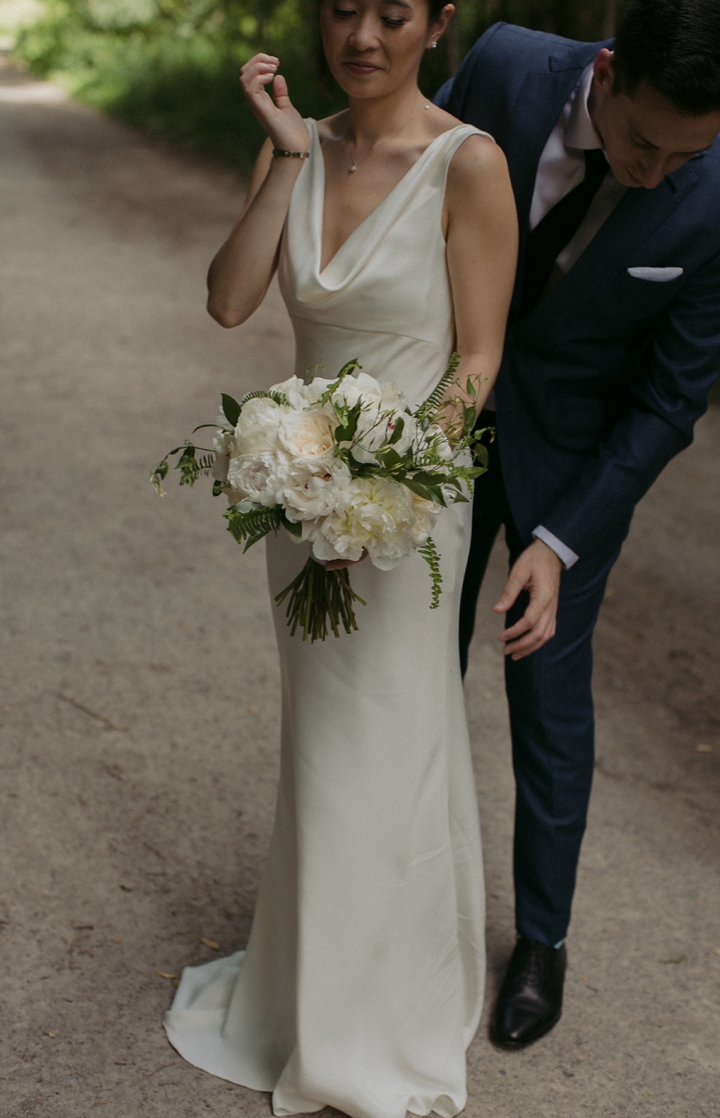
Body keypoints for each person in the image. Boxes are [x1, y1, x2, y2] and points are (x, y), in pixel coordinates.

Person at [161, 2, 518, 1115]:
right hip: (297, 499)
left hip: (404, 512)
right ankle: (309, 990)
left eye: (392, 12)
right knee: (323, 746)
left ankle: (384, 1014)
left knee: (389, 738)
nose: (362, 34)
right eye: (342, 11)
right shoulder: (306, 146)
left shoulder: (470, 163)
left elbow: (476, 356)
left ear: (437, 21)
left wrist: (393, 480)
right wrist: (283, 153)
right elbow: (229, 303)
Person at [439, 0, 720, 1050]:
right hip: (442, 425)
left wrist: (560, 542)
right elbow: (407, 202)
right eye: (642, 141)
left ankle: (543, 942)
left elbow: (665, 402)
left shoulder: (712, 191)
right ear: (605, 70)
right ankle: (393, 897)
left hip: (576, 470)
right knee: (410, 663)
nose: (655, 172)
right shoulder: (506, 67)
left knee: (549, 699)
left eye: (686, 153)